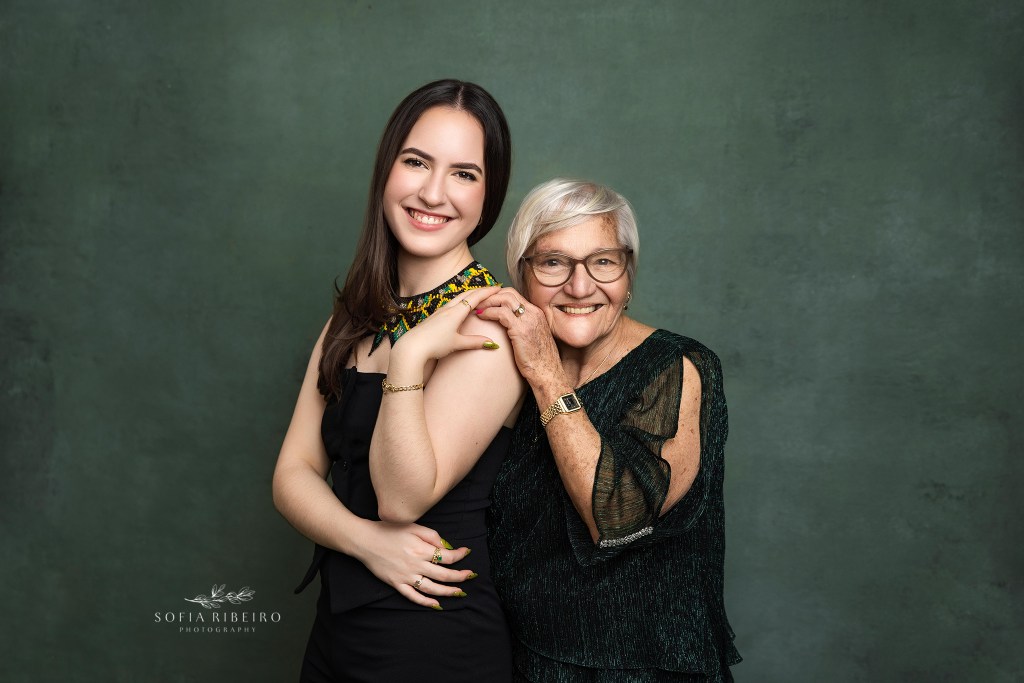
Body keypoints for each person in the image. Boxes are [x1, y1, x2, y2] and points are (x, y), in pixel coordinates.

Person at [272, 79, 523, 682]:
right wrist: (363, 541)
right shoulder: (353, 313)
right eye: (416, 162)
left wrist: (408, 359)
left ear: (489, 197)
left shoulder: (491, 322)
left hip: (432, 637)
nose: (433, 192)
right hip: (336, 629)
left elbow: (403, 497)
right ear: (387, 169)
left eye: (464, 173)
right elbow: (291, 475)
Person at [475, 179, 741, 682]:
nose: (580, 286)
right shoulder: (504, 370)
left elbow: (618, 517)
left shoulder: (677, 365)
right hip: (524, 656)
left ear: (628, 274)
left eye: (603, 261)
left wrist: (546, 376)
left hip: (643, 668)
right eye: (554, 262)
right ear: (522, 275)